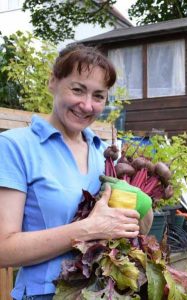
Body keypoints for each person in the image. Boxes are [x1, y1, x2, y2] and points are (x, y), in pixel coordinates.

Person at [0, 44, 153, 300]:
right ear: (53, 82)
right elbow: (4, 249)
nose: (87, 105)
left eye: (99, 96)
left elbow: (127, 231)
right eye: (77, 90)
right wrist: (89, 228)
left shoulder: (103, 153)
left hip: (104, 292)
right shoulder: (15, 147)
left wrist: (142, 206)